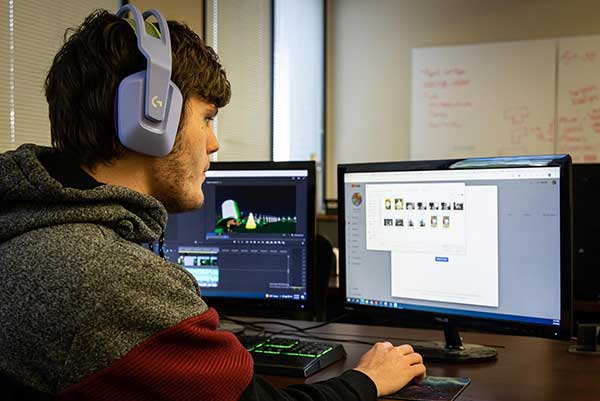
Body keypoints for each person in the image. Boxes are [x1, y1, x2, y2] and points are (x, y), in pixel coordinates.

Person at [0, 7, 425, 401]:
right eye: (206, 118)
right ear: (150, 117)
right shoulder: (112, 277)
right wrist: (366, 381)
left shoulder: (26, 226)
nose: (215, 143)